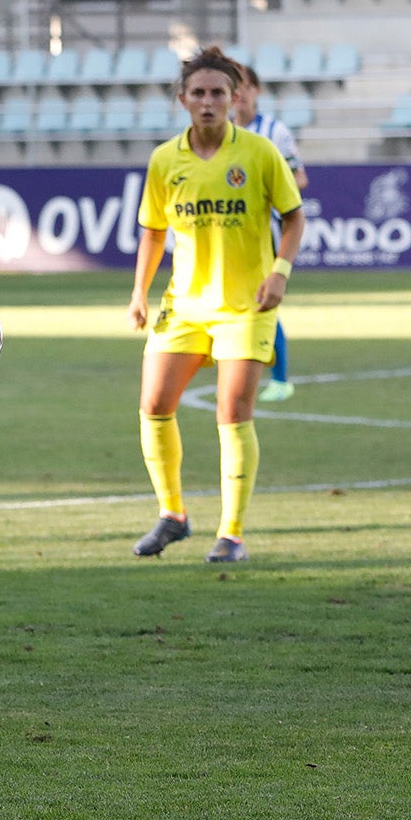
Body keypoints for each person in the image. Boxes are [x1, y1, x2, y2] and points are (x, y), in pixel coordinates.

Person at [127, 46, 305, 563]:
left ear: (235, 97)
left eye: (218, 93)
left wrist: (280, 273)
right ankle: (172, 516)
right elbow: (153, 232)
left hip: (246, 305)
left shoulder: (259, 153)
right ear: (182, 99)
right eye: (199, 93)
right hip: (183, 304)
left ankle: (231, 534)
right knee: (154, 406)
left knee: (232, 411)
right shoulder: (164, 160)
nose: (208, 102)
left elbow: (293, 218)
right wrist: (139, 291)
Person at [233, 64, 310, 403]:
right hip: (228, 231)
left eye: (246, 87)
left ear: (256, 91)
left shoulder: (274, 131)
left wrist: (266, 192)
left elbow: (300, 178)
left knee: (263, 300)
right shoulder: (219, 132)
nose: (240, 94)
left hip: (264, 230)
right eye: (235, 88)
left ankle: (280, 379)